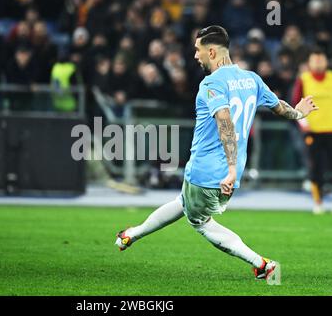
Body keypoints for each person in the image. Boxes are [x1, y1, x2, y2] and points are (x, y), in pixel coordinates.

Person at [115, 25, 318, 282]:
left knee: (199, 221)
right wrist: (299, 112)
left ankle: (262, 264)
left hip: (208, 172)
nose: (195, 56)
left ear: (212, 51)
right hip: (228, 172)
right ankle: (131, 234)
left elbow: (224, 122)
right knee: (185, 203)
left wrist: (230, 169)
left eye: (198, 50)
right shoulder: (252, 79)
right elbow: (280, 108)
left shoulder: (211, 84)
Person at [292, 47, 332, 214]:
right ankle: (318, 201)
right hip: (313, 132)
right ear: (309, 62)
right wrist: (304, 126)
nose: (318, 62)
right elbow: (296, 105)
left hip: (330, 130)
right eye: (314, 60)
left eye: (320, 59)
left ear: (326, 61)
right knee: (316, 168)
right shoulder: (304, 79)